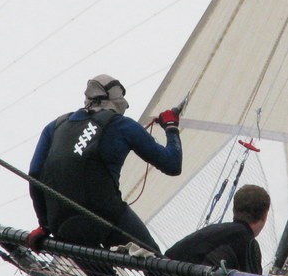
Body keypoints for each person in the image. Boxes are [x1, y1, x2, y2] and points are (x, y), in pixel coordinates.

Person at [27, 74, 182, 252]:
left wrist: (44, 225)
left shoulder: (54, 127)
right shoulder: (121, 125)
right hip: (107, 217)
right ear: (116, 100)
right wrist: (171, 127)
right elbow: (172, 164)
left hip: (63, 227)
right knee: (156, 266)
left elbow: (35, 176)